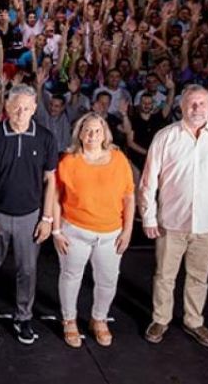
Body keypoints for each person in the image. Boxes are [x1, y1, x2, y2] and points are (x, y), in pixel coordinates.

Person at [140, 85, 208, 349]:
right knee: (165, 275)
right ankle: (161, 319)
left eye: (202, 103)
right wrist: (149, 216)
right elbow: (148, 180)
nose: (197, 108)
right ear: (181, 106)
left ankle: (193, 321)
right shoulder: (165, 137)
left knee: (199, 276)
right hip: (170, 222)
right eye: (191, 104)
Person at [0, 84, 58, 346]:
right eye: (15, 106)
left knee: (28, 270)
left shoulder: (45, 138)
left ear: (34, 109)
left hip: (29, 217)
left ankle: (23, 318)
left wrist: (47, 219)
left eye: (26, 108)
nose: (20, 112)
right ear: (7, 107)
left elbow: (51, 181)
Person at [52, 112, 135, 348]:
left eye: (97, 130)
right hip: (75, 231)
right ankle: (69, 320)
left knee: (108, 280)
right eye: (87, 130)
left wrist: (128, 231)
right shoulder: (68, 161)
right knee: (71, 277)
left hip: (111, 234)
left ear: (104, 133)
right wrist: (57, 231)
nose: (92, 135)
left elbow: (129, 196)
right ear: (79, 133)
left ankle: (99, 319)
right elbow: (56, 197)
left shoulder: (118, 159)